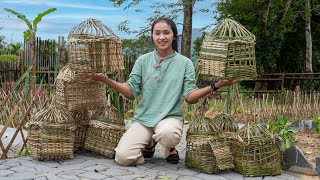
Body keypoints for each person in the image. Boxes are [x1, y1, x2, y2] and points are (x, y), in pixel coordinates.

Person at [84, 17, 239, 166]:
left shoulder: (185, 63)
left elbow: (190, 97)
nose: (161, 37)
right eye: (157, 33)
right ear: (152, 36)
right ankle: (150, 143)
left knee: (168, 134)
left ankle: (168, 147)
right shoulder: (143, 60)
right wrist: (105, 79)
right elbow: (130, 92)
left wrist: (216, 85)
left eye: (166, 33)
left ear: (174, 36)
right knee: (123, 158)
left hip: (169, 118)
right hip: (144, 119)